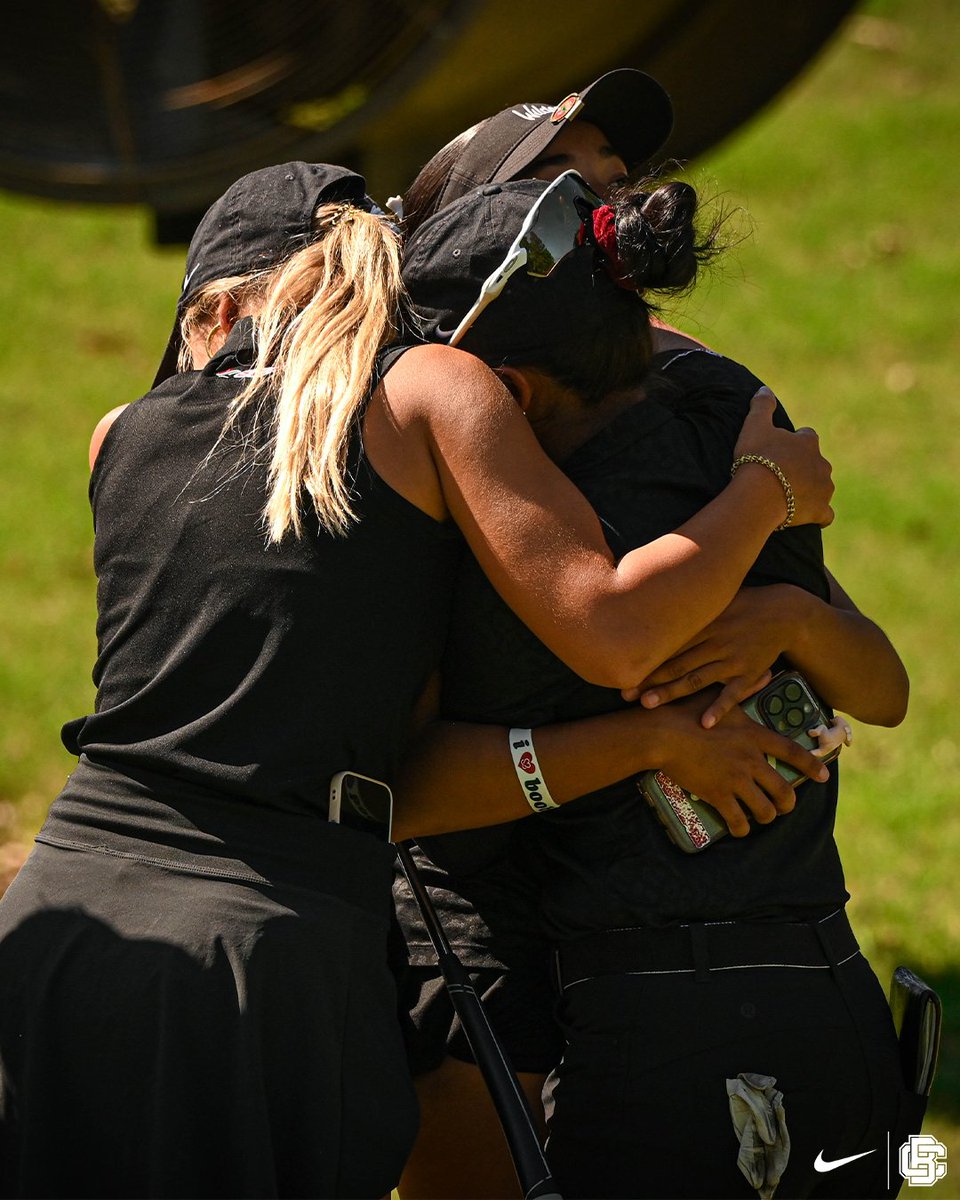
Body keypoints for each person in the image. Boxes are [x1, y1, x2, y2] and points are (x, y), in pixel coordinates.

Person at [0, 161, 833, 1198]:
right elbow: (616, 630)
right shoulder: (431, 389)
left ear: (217, 307)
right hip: (262, 937)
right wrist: (769, 488)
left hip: (61, 909)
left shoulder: (117, 434)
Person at [391, 173, 915, 1199]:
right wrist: (787, 593)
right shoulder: (739, 428)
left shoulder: (534, 556)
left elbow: (412, 790)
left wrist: (792, 621)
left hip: (646, 1028)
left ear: (509, 396)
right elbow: (887, 692)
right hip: (827, 994)